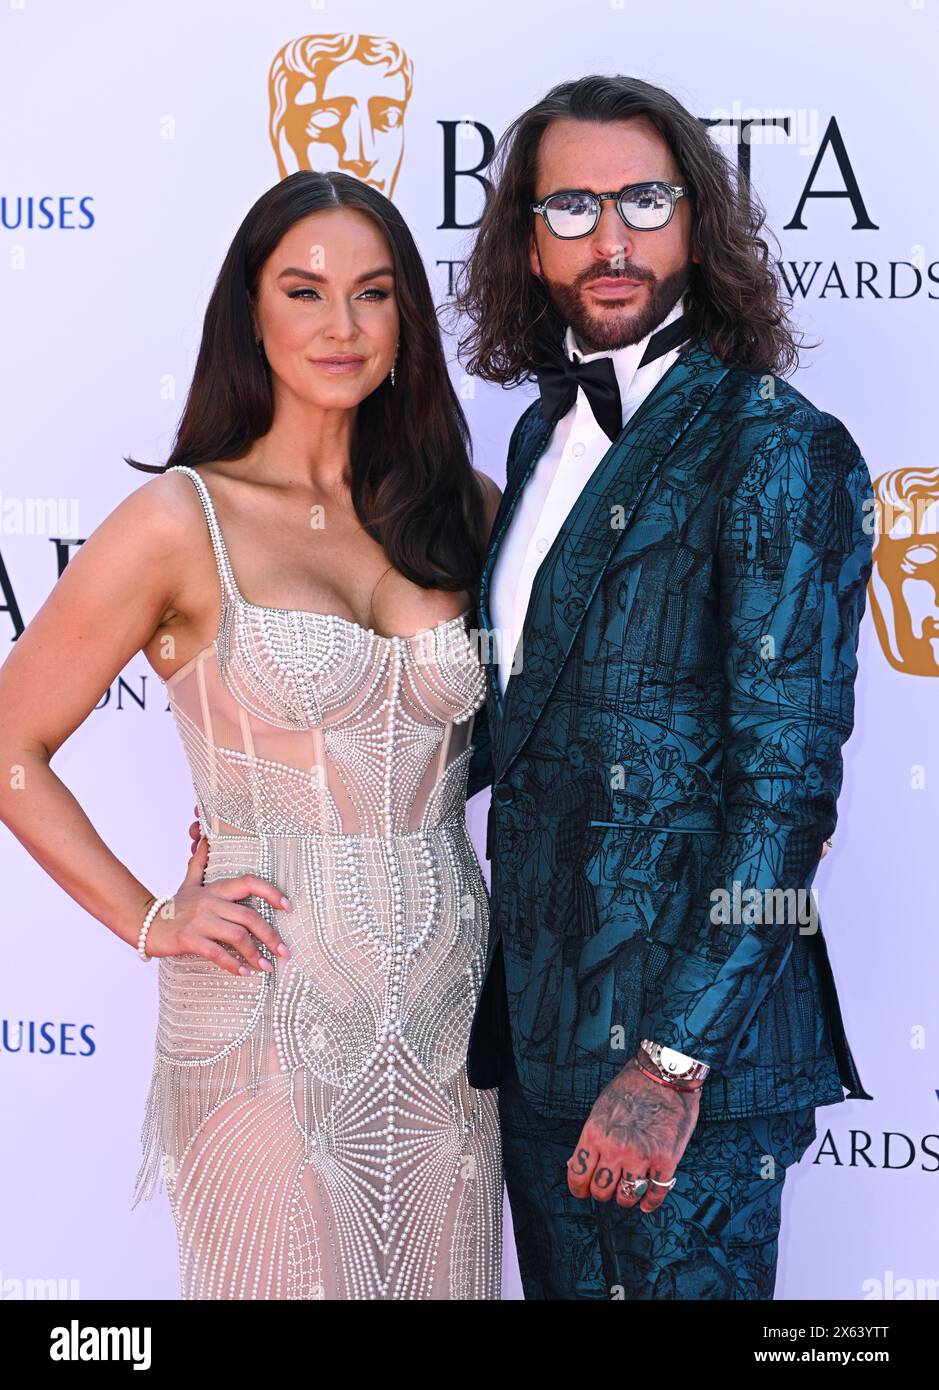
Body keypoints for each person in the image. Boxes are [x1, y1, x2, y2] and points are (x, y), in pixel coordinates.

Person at [0, 170, 504, 1301]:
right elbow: (8, 745)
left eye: (373, 295)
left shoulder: (465, 507)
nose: (341, 325)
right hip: (264, 996)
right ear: (251, 312)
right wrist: (149, 918)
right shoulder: (180, 519)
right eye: (305, 290)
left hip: (451, 1007)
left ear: (404, 321)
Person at [451, 74, 875, 1300]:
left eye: (643, 198)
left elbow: (788, 800)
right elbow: (510, 726)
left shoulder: (780, 444)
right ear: (529, 246)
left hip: (694, 1066)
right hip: (535, 1040)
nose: (613, 237)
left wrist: (672, 1061)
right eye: (571, 207)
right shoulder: (537, 439)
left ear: (697, 220)